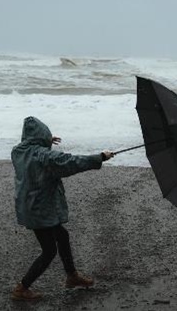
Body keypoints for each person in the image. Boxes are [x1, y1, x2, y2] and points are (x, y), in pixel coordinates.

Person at [10, 116, 114, 301]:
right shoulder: (44, 156)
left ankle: (72, 276)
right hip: (39, 209)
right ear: (41, 136)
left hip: (29, 205)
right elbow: (70, 162)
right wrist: (100, 157)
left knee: (62, 235)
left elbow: (35, 151)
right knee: (49, 251)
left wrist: (45, 141)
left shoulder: (18, 152)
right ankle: (22, 287)